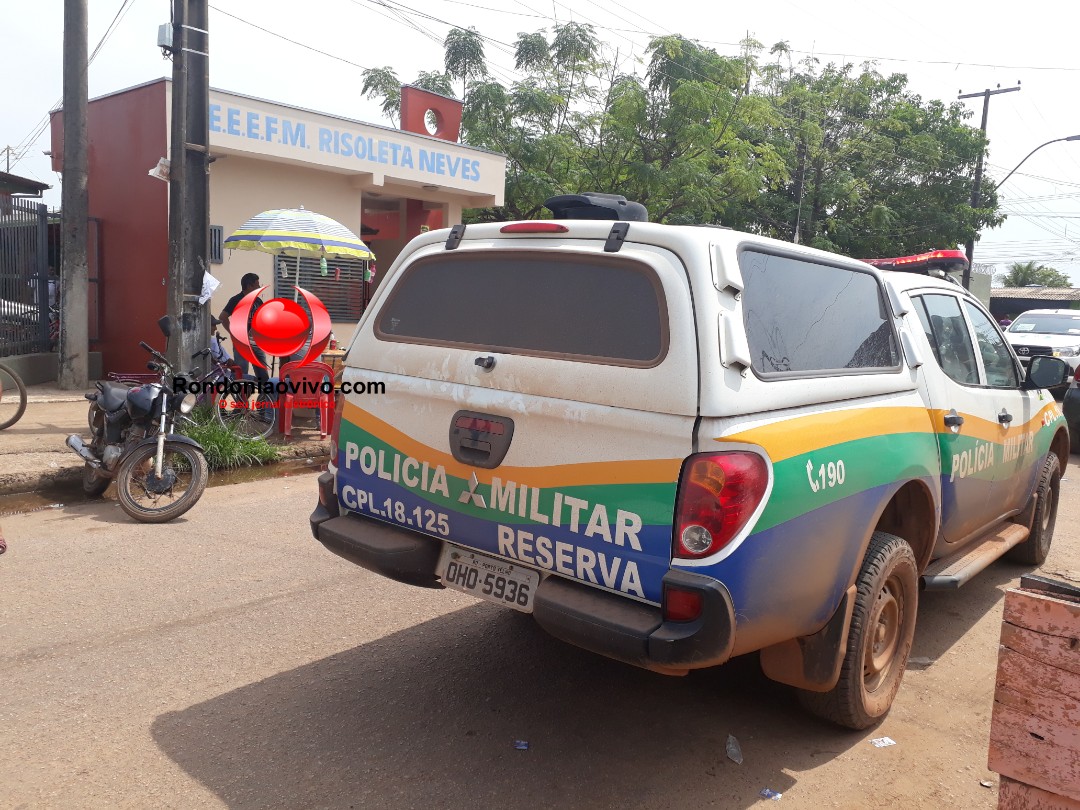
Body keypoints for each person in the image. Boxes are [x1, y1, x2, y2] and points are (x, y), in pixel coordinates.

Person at [218, 273, 270, 384]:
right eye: (257, 285)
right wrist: (233, 333)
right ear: (249, 286)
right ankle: (242, 395)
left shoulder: (258, 301)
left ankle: (264, 394)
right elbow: (222, 317)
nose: (259, 287)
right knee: (242, 374)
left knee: (263, 375)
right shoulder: (236, 300)